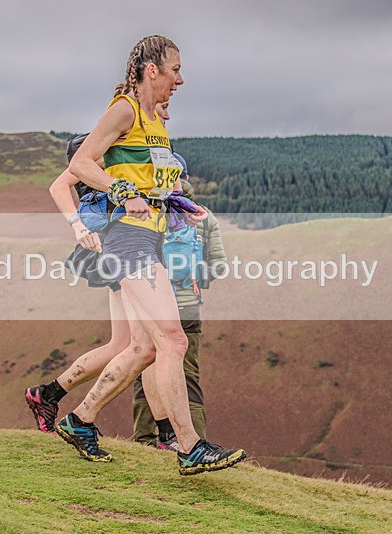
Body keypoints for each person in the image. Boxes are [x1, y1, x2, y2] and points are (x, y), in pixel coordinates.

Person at [54, 34, 246, 475]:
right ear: (151, 70)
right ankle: (188, 446)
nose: (181, 79)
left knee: (142, 347)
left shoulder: (154, 121)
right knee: (172, 340)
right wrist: (121, 191)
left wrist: (179, 204)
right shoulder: (123, 109)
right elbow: (82, 164)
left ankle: (80, 420)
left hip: (151, 237)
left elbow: (151, 184)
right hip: (127, 241)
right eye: (175, 69)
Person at [25, 99, 172, 435]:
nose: (166, 113)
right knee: (145, 342)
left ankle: (47, 394)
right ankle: (163, 434)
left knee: (122, 345)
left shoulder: (145, 142)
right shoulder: (113, 148)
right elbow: (60, 184)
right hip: (120, 246)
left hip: (124, 245)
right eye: (162, 106)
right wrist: (78, 226)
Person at [132, 176, 227, 449]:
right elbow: (219, 267)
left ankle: (145, 440)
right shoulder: (201, 216)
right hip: (186, 307)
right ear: (186, 180)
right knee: (187, 377)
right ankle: (193, 442)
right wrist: (195, 279)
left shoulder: (149, 210)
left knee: (145, 370)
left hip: (151, 304)